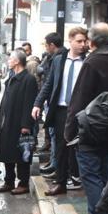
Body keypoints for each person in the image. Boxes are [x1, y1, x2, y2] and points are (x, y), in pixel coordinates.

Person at [64, 23, 108, 214]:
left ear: (92, 41)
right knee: (104, 174)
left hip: (89, 126)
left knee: (91, 178)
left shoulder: (92, 62)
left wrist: (69, 129)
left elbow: (79, 97)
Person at [32, 27, 89, 196]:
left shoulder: (88, 61)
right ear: (70, 41)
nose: (83, 44)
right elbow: (49, 84)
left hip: (81, 111)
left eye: (85, 41)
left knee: (79, 146)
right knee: (61, 148)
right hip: (61, 110)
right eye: (79, 41)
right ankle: (61, 182)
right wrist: (38, 104)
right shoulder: (58, 60)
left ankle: (79, 178)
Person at [0, 50, 37, 195]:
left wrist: (26, 124)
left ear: (18, 61)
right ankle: (9, 181)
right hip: (7, 122)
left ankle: (23, 183)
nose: (8, 61)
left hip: (20, 124)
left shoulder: (28, 79)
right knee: (7, 151)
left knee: (22, 154)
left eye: (11, 58)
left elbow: (29, 103)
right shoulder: (11, 78)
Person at [38, 32, 65, 161]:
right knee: (54, 135)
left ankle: (56, 164)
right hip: (51, 101)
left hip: (57, 103)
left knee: (57, 136)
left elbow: (50, 82)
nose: (45, 48)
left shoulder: (59, 59)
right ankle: (54, 163)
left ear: (52, 45)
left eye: (46, 45)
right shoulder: (52, 58)